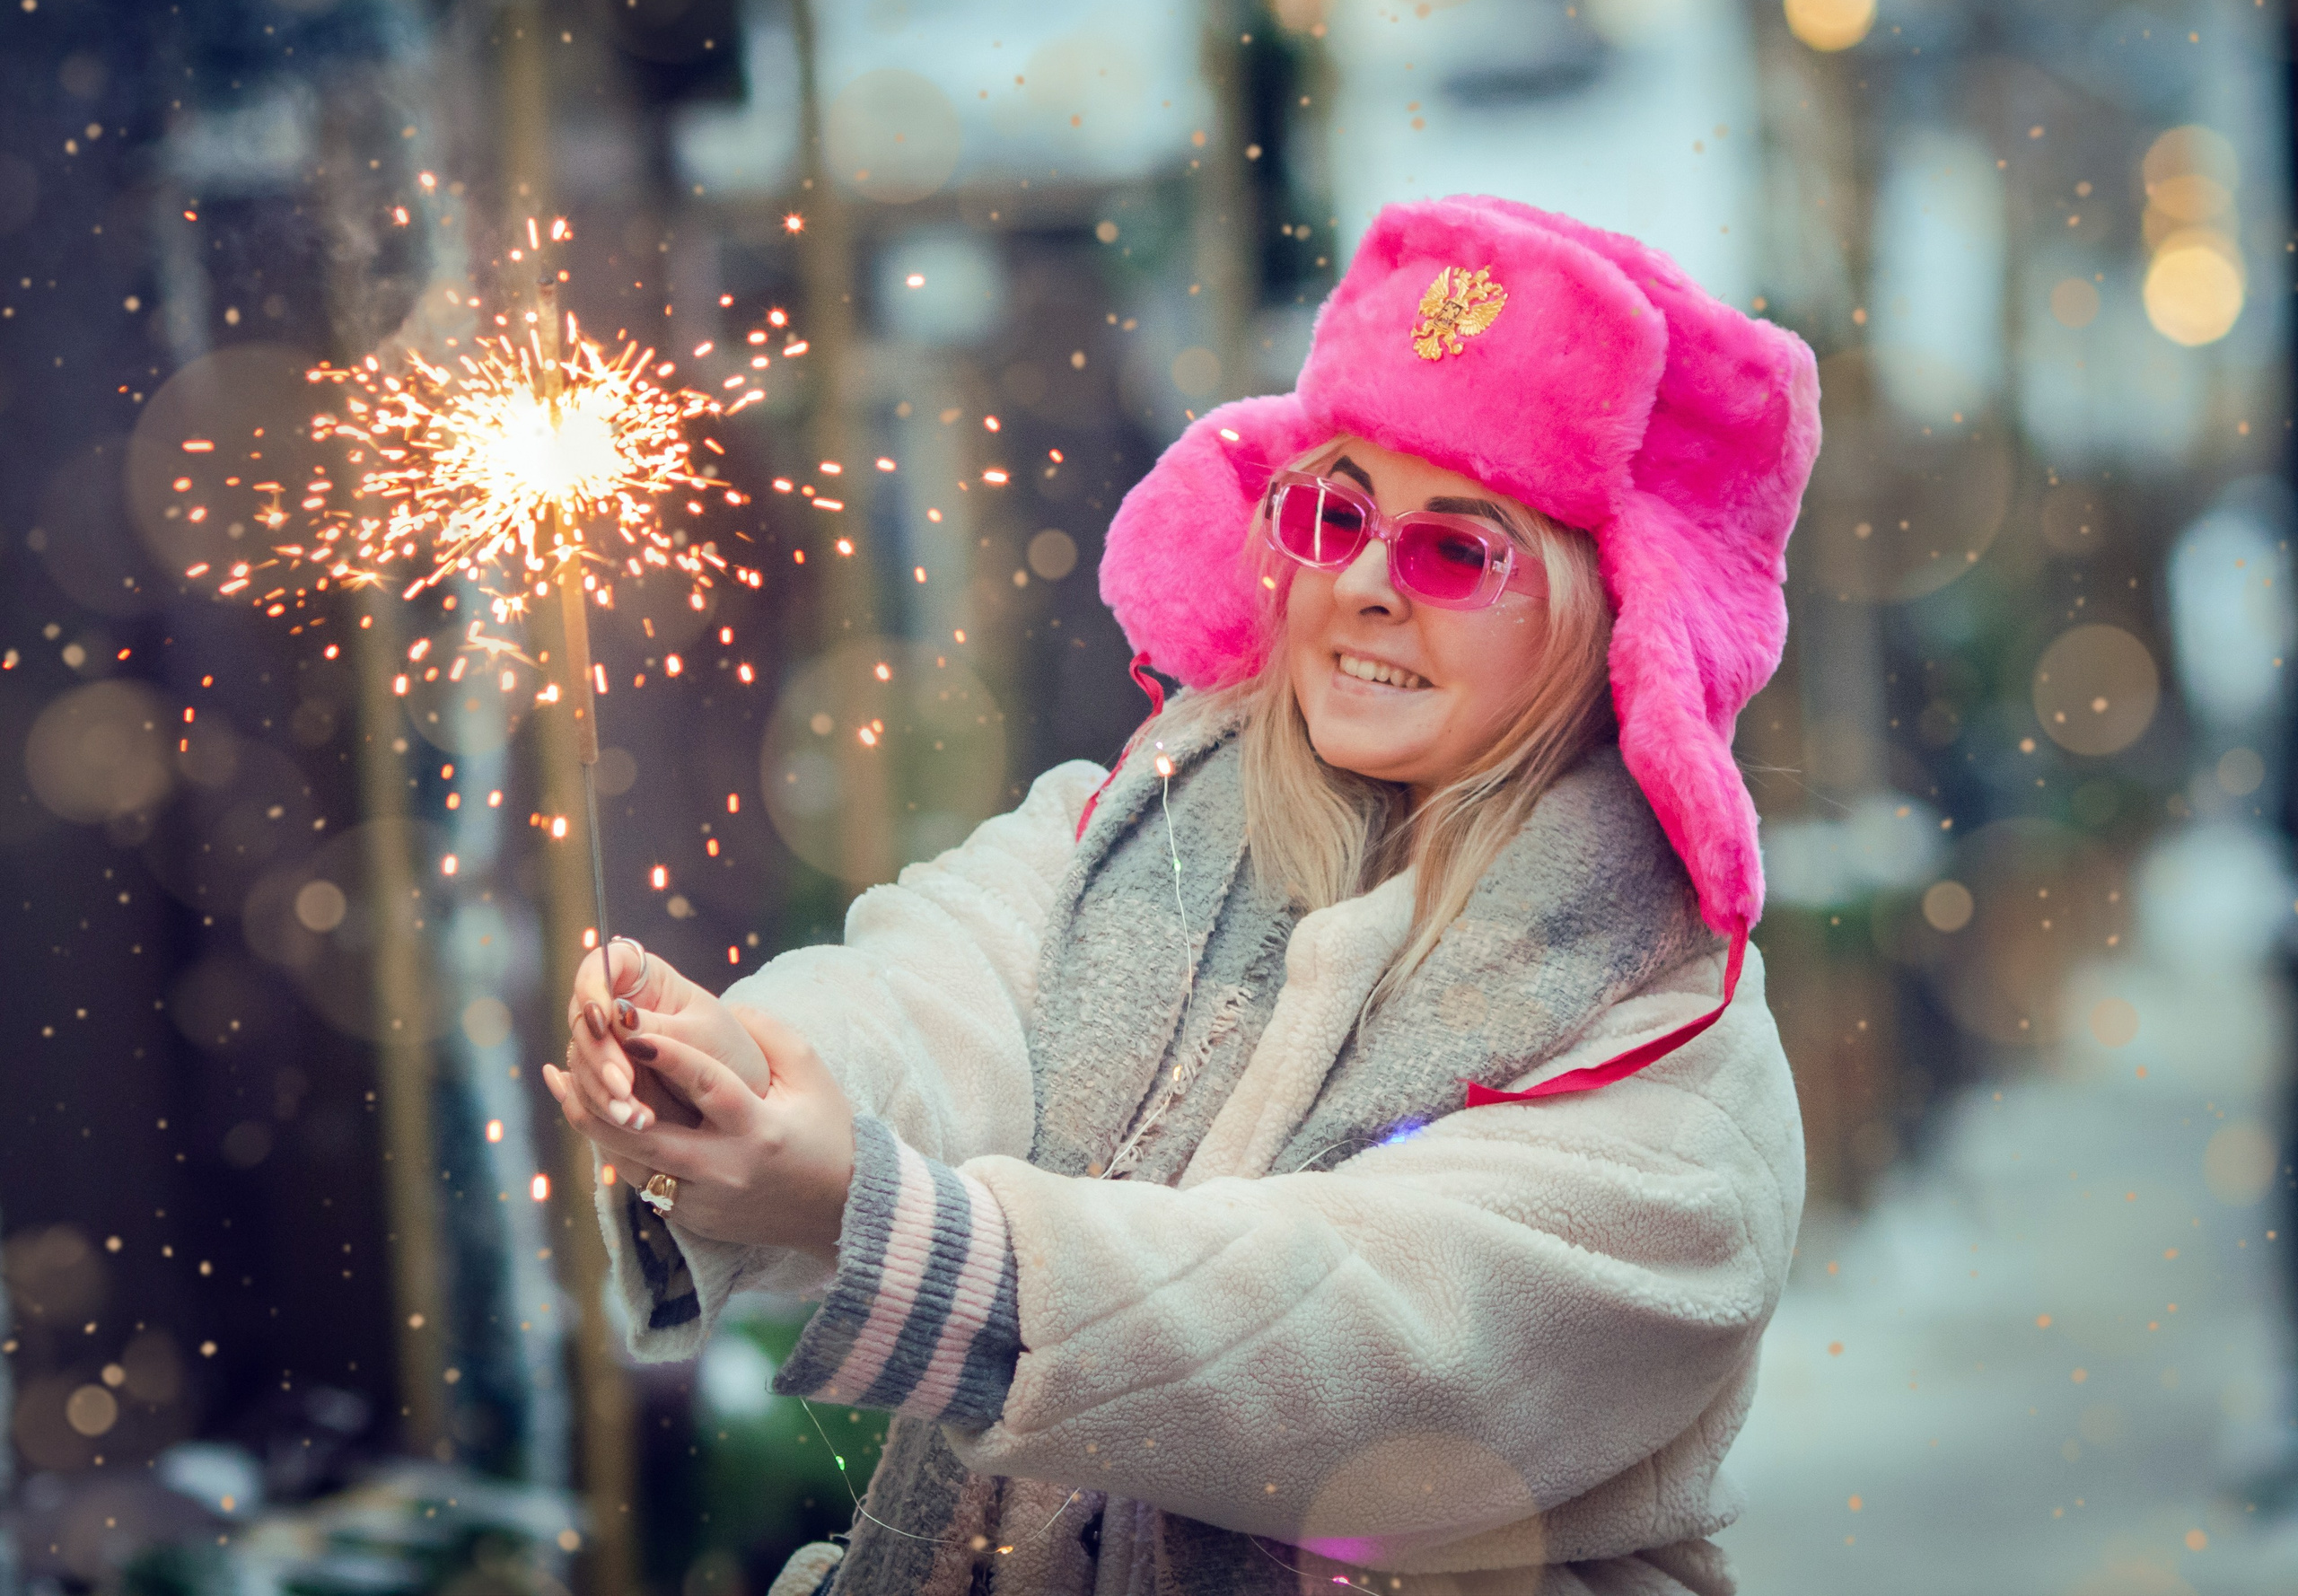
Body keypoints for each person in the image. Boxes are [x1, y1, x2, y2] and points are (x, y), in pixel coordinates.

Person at [543, 196, 1820, 1596]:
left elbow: (1359, 1356)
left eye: (1458, 550)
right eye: (1335, 514)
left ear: (1607, 618)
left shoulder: (1677, 1054)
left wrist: (886, 1218)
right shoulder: (1127, 825)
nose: (1367, 584)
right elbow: (936, 995)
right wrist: (740, 1072)